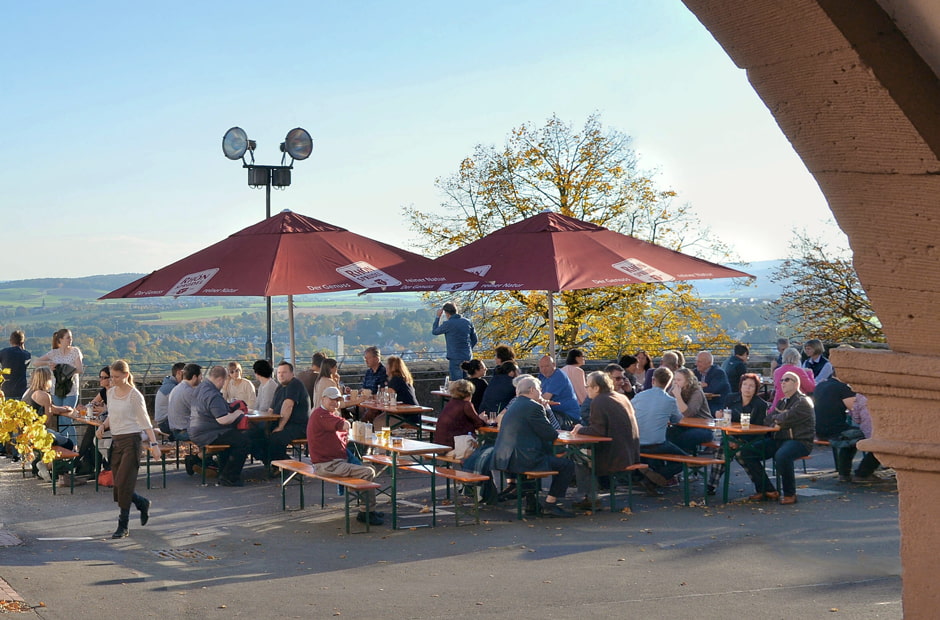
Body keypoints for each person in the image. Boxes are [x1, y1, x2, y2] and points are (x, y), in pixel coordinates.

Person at [94, 360, 161, 538]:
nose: (113, 380)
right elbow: (112, 414)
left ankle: (122, 525)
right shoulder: (111, 392)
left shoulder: (134, 396)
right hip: (116, 441)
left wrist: (154, 445)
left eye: (116, 377)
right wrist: (103, 426)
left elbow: (146, 422)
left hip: (131, 441)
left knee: (124, 482)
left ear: (125, 375)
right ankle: (141, 502)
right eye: (111, 377)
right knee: (119, 484)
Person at [492, 376, 575, 518]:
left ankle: (532, 502)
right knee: (567, 465)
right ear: (532, 389)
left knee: (543, 457)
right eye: (539, 389)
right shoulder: (533, 406)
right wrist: (546, 410)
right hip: (524, 459)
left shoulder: (514, 405)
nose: (541, 392)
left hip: (505, 457)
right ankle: (550, 503)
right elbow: (550, 434)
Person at [306, 386, 383, 526]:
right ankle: (366, 512)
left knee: (367, 467)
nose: (335, 402)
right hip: (328, 465)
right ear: (323, 398)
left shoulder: (322, 414)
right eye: (331, 399)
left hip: (328, 462)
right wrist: (349, 422)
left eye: (337, 400)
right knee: (368, 471)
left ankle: (367, 508)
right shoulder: (322, 415)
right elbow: (343, 425)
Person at [739, 371, 815, 505]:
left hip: (799, 441)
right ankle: (766, 489)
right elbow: (767, 420)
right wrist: (777, 420)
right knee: (746, 452)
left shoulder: (803, 401)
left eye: (787, 380)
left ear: (796, 383)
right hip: (778, 439)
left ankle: (790, 494)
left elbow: (786, 419)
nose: (783, 383)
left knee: (782, 456)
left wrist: (778, 419)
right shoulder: (782, 402)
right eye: (781, 380)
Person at [571, 371, 641, 510]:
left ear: (596, 388)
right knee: (583, 454)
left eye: (588, 386)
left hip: (614, 455)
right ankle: (591, 496)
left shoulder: (599, 401)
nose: (586, 389)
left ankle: (589, 498)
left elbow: (598, 431)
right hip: (630, 452)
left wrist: (580, 429)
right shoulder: (621, 397)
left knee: (578, 455)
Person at [188, 365, 250, 486]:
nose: (223, 385)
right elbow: (222, 419)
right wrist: (238, 413)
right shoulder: (213, 394)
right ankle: (230, 477)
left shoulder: (201, 387)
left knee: (232, 438)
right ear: (220, 380)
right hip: (209, 433)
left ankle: (224, 471)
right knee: (243, 441)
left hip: (196, 430)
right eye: (224, 382)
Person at [707, 373, 768, 495]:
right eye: (745, 384)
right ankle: (711, 486)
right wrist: (719, 415)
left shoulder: (760, 405)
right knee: (723, 449)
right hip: (729, 436)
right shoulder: (731, 398)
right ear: (740, 386)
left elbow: (759, 430)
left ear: (756, 388)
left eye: (751, 386)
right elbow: (725, 421)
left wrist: (740, 441)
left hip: (750, 439)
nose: (747, 388)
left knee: (740, 453)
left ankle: (762, 488)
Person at [631, 367, 686, 492]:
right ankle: (656, 477)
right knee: (684, 460)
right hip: (657, 444)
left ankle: (649, 475)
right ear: (669, 383)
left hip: (636, 442)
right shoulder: (670, 401)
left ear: (653, 380)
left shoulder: (639, 396)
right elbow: (677, 419)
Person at [23, 367, 76, 479]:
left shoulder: (28, 392)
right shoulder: (44, 395)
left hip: (26, 433)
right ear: (47, 379)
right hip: (39, 433)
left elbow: (50, 407)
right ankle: (48, 467)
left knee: (57, 438)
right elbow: (47, 419)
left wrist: (63, 409)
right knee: (68, 444)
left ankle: (42, 467)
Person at [33, 329, 84, 442]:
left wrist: (64, 369)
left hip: (71, 389)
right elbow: (36, 362)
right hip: (56, 389)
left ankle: (73, 445)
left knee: (67, 419)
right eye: (68, 338)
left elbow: (80, 369)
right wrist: (48, 363)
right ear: (60, 339)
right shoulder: (54, 353)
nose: (70, 340)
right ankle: (63, 443)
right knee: (60, 420)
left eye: (71, 337)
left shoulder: (75, 351)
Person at [259, 361, 310, 470]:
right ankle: (272, 463)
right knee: (257, 434)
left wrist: (280, 427)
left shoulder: (295, 384)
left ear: (292, 374)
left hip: (297, 426)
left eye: (284, 372)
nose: (281, 375)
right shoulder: (280, 387)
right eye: (279, 373)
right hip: (285, 424)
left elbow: (288, 405)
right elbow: (271, 410)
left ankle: (284, 467)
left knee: (276, 438)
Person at [813, 373, 858, 482]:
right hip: (835, 430)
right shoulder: (842, 388)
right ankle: (849, 473)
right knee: (861, 436)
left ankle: (844, 472)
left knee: (851, 434)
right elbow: (855, 409)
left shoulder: (820, 386)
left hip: (819, 429)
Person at [666, 368, 715, 454]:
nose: (675, 382)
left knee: (687, 436)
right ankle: (674, 461)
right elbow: (666, 403)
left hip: (703, 427)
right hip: (683, 425)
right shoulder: (674, 389)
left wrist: (678, 396)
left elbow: (688, 413)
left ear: (687, 381)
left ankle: (687, 457)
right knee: (669, 433)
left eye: (679, 380)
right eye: (674, 379)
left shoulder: (697, 392)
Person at [432, 301, 478, 381]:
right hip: (467, 356)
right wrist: (469, 349)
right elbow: (474, 339)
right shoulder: (467, 322)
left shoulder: (448, 324)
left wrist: (437, 317)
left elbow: (435, 331)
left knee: (457, 384)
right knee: (468, 383)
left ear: (447, 313)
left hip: (455, 357)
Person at [435, 379, 485, 449]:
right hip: (455, 446)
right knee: (484, 450)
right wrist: (482, 419)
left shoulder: (451, 402)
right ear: (469, 393)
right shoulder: (466, 405)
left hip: (440, 445)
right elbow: (479, 424)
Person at [537, 355, 580, 429]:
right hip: (554, 412)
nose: (544, 369)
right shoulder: (542, 376)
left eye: (547, 366)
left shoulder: (558, 375)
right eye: (541, 367)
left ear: (554, 365)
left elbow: (544, 398)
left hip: (568, 416)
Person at [848, 393, 883, 482]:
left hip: (866, 428)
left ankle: (862, 473)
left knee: (877, 446)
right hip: (880, 429)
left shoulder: (860, 394)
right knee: (879, 447)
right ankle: (862, 473)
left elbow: (855, 416)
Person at [167, 364, 201, 441]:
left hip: (175, 429)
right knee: (217, 433)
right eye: (200, 376)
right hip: (183, 432)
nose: (201, 379)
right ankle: (205, 453)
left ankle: (203, 452)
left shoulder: (176, 388)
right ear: (194, 377)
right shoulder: (188, 391)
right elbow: (201, 411)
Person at [154, 363, 185, 436]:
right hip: (166, 423)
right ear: (179, 373)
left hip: (163, 422)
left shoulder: (168, 385)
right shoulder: (172, 388)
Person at [0, 330, 31, 400]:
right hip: (20, 390)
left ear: (10, 341)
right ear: (22, 342)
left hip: (5, 388)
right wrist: (23, 349)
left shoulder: (3, 352)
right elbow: (26, 364)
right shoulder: (26, 354)